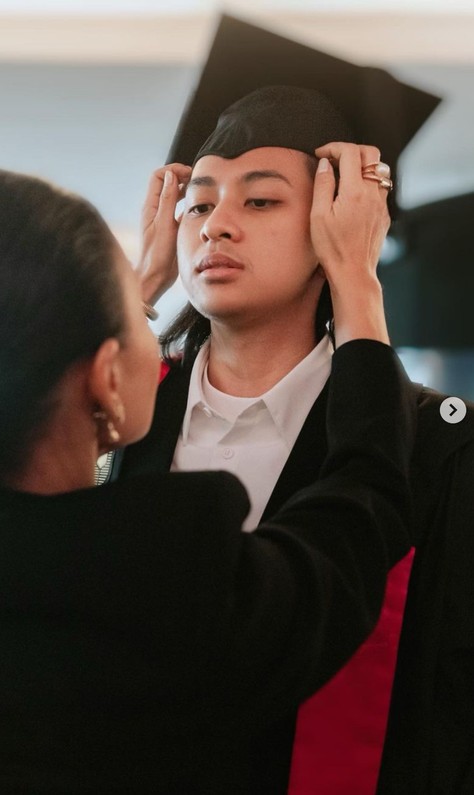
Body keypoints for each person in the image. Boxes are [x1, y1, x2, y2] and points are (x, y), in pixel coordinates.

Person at [0, 166, 414, 793]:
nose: (215, 224)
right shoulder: (162, 581)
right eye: (136, 321)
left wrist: (104, 296)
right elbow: (364, 503)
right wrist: (357, 281)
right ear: (107, 376)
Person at [117, 84, 474, 794]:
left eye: (260, 199)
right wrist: (136, 285)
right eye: (200, 202)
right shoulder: (120, 419)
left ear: (332, 224)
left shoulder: (433, 449)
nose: (216, 224)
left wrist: (357, 277)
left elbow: (449, 707)